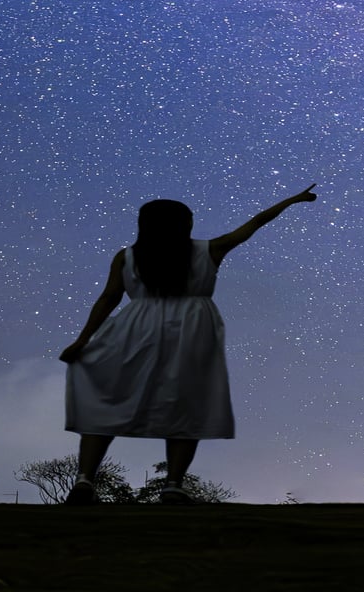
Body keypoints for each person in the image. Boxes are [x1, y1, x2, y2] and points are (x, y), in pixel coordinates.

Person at [58, 185, 318, 504]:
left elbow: (109, 298)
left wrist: (83, 340)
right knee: (186, 403)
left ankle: (84, 479)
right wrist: (292, 200)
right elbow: (255, 223)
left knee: (106, 400)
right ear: (185, 224)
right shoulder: (209, 250)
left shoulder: (127, 257)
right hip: (191, 328)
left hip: (135, 326)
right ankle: (173, 484)